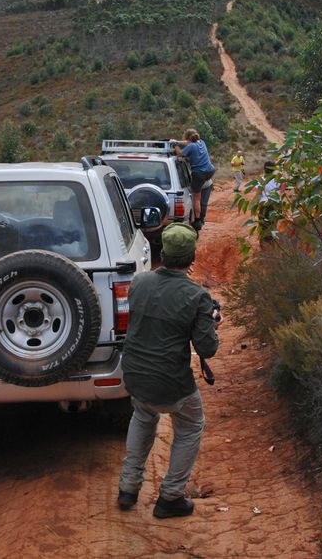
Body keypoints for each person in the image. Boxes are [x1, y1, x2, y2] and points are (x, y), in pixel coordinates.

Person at [117, 222, 220, 519]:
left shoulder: (139, 282)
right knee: (191, 426)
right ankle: (171, 496)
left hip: (135, 374)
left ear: (164, 251)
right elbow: (207, 349)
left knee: (143, 413)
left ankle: (128, 487)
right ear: (192, 258)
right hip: (170, 382)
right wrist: (211, 322)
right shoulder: (197, 296)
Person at [173, 129, 215, 230]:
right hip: (210, 171)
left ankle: (197, 221)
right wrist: (177, 141)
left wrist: (175, 145)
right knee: (202, 196)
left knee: (196, 199)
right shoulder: (201, 142)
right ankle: (201, 218)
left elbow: (179, 154)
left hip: (199, 174)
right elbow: (187, 142)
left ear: (187, 138)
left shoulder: (191, 146)